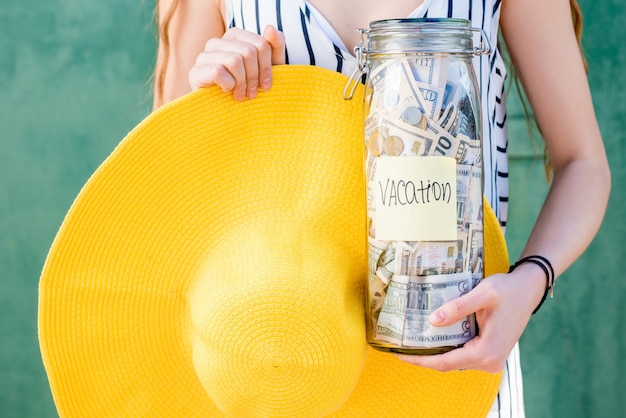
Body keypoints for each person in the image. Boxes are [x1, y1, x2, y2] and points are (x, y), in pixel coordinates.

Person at [152, 0, 611, 416]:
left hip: (452, 361)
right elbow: (163, 180)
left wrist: (531, 281)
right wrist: (207, 96)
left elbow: (583, 164)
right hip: (280, 356)